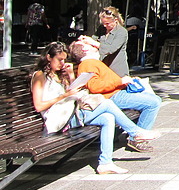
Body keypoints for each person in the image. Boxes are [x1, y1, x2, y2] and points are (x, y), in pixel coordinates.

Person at [31, 41, 160, 174]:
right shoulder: (40, 76)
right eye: (59, 60)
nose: (62, 63)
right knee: (107, 103)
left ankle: (105, 163)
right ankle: (135, 132)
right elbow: (39, 106)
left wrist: (70, 75)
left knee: (108, 118)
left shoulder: (57, 74)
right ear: (48, 57)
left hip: (71, 113)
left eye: (64, 59)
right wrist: (65, 95)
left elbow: (72, 91)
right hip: (60, 119)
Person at [70, 37, 162, 153]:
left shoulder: (91, 62)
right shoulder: (88, 64)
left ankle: (137, 134)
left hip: (115, 93)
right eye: (88, 44)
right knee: (153, 102)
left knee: (152, 99)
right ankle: (137, 138)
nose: (93, 45)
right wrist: (120, 81)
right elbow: (94, 86)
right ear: (84, 49)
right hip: (112, 96)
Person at [94, 6, 129, 76]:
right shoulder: (101, 29)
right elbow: (94, 39)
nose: (104, 26)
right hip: (103, 70)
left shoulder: (121, 32)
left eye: (107, 23)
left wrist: (95, 44)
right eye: (103, 23)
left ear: (115, 20)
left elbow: (111, 49)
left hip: (117, 72)